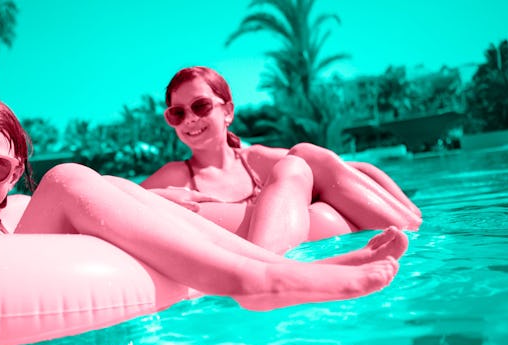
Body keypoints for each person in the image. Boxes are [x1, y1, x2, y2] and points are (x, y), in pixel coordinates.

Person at [0, 91, 408, 311]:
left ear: (13, 174)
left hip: (46, 313)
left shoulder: (14, 213)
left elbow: (126, 209)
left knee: (108, 187)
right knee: (69, 178)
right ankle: (254, 282)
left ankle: (275, 269)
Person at [142, 66, 422, 254]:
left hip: (301, 250)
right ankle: (414, 230)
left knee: (305, 154)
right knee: (318, 197)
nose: (190, 119)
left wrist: (407, 205)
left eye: (200, 106)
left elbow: (355, 170)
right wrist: (157, 197)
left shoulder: (256, 161)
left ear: (228, 111)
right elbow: (112, 200)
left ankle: (416, 229)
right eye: (177, 113)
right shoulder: (177, 176)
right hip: (276, 253)